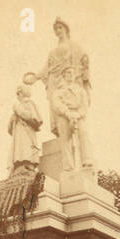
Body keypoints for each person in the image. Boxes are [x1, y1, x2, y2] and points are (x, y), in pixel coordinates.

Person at [24, 17, 93, 172]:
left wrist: (84, 78)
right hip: (56, 83)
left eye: (60, 28)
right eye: (56, 29)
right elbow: (46, 68)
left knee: (79, 125)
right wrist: (35, 78)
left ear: (66, 29)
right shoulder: (52, 52)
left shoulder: (74, 47)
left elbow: (84, 62)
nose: (58, 31)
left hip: (71, 81)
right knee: (58, 116)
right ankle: (63, 138)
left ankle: (84, 161)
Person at [7, 84, 43, 171]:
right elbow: (10, 130)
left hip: (27, 134)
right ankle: (20, 165)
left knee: (27, 149)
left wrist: (18, 109)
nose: (17, 96)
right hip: (18, 138)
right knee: (20, 150)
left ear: (21, 94)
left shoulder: (29, 103)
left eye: (18, 94)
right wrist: (12, 120)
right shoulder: (17, 108)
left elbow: (31, 117)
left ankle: (28, 164)